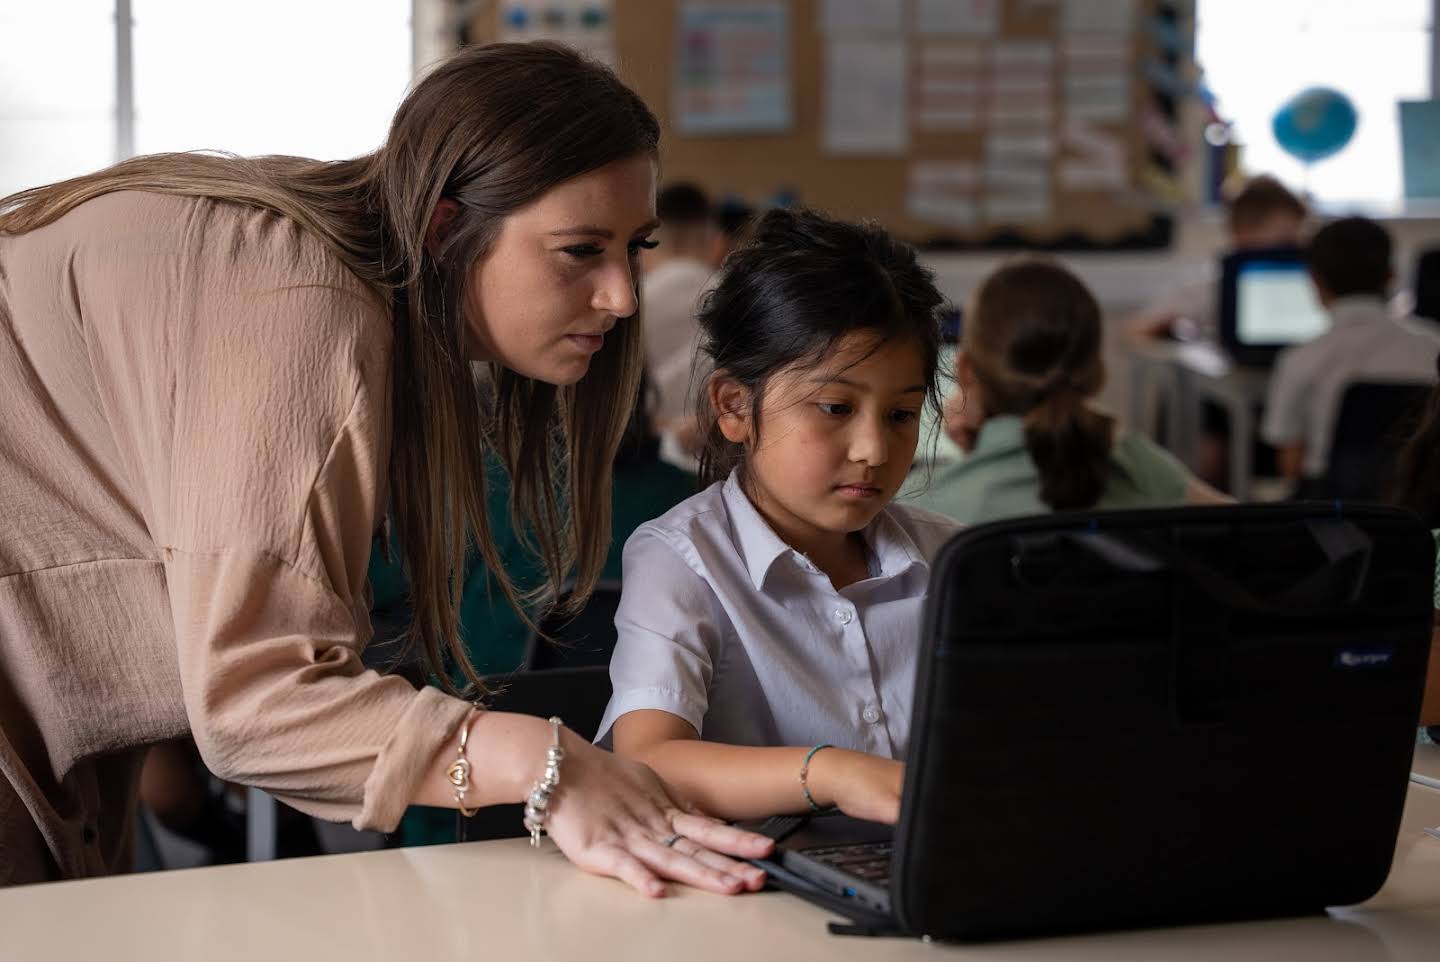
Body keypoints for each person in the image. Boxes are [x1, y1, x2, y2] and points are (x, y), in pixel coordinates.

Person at [0, 41, 771, 893]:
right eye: (580, 249)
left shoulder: (328, 269)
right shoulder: (302, 302)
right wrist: (555, 767)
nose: (623, 296)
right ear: (447, 226)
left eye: (635, 246)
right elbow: (257, 704)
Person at [597, 207, 961, 824]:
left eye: (901, 416)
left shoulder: (952, 558)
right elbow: (650, 759)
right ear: (735, 406)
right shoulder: (683, 559)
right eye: (834, 408)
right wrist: (833, 773)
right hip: (754, 895)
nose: (873, 449)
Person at [904, 260, 1226, 524]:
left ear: (964, 372)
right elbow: (1248, 529)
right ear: (1096, 373)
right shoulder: (1135, 464)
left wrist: (973, 455)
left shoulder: (916, 503)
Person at [1261, 217, 1440, 486]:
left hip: (1335, 512)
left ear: (1315, 281)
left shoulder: (1301, 358)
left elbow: (1291, 463)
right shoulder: (1434, 345)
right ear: (1392, 276)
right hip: (1422, 506)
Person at [642, 182, 719, 435]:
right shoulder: (742, 297)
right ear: (715, 240)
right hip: (724, 448)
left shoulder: (627, 302)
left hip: (644, 450)